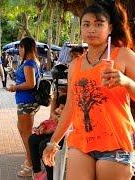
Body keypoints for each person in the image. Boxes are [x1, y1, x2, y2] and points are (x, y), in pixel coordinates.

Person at [43, 2, 135, 180]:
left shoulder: (123, 55)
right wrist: (53, 141)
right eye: (86, 24)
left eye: (99, 24)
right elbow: (70, 106)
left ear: (110, 28)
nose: (91, 29)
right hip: (81, 142)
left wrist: (125, 82)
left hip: (115, 143)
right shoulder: (75, 64)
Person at [6, 37, 41, 177]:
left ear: (25, 48)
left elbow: (30, 84)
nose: (19, 51)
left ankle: (31, 164)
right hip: (27, 101)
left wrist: (15, 87)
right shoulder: (33, 62)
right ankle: (30, 161)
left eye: (20, 48)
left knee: (26, 133)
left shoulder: (29, 63)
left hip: (26, 101)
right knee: (23, 130)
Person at [29, 95, 66, 180]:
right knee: (33, 139)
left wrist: (57, 118)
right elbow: (50, 119)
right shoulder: (57, 95)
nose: (59, 110)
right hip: (53, 131)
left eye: (62, 108)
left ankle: (51, 176)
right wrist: (42, 127)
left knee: (44, 145)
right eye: (59, 108)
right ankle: (37, 173)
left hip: (64, 134)